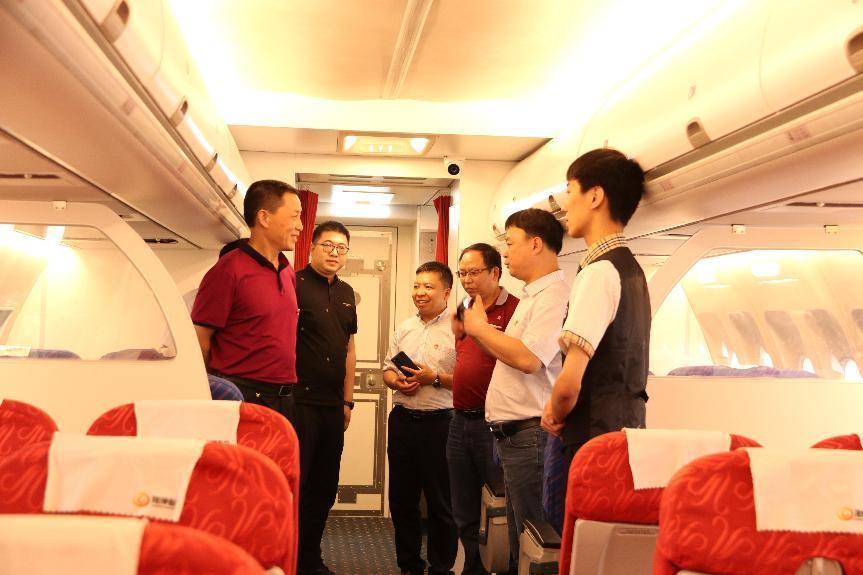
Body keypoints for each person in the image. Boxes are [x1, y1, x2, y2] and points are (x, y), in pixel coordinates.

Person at [462, 208, 569, 573]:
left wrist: (479, 329)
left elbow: (528, 360)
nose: (505, 254)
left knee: (531, 544)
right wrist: (479, 330)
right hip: (514, 436)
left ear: (535, 244)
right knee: (517, 543)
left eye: (510, 244)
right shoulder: (534, 296)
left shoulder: (553, 296)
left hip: (531, 436)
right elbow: (511, 355)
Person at [541, 148, 651, 492]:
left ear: (594, 196)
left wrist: (554, 411)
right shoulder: (632, 270)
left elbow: (569, 384)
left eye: (569, 191)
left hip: (593, 441)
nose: (564, 205)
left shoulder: (599, 272)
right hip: (624, 435)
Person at [191, 179, 303, 421]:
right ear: (264, 218)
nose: (300, 226)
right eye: (294, 216)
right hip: (243, 393)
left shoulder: (287, 270)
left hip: (284, 397)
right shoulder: (228, 271)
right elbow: (200, 340)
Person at [383, 261, 458, 575]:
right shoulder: (405, 327)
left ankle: (441, 568)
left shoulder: (460, 328)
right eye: (416, 286)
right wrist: (396, 382)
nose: (420, 292)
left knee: (442, 503)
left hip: (442, 423)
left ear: (446, 292)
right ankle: (409, 567)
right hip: (403, 421)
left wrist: (434, 378)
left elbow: (470, 380)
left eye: (428, 286)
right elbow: (388, 369)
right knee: (402, 501)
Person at [448, 243, 519, 575]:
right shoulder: (464, 307)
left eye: (473, 272)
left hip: (494, 425)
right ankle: (473, 568)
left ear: (495, 272)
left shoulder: (516, 309)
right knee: (463, 509)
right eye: (462, 273)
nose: (466, 280)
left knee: (499, 508)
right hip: (459, 421)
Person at [294, 221, 357, 575]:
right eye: (328, 245)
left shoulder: (346, 292)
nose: (335, 253)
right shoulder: (293, 284)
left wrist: (347, 402)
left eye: (341, 247)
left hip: (333, 406)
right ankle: (288, 558)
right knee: (297, 485)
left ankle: (310, 558)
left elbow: (350, 349)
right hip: (299, 402)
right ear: (312, 247)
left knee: (324, 486)